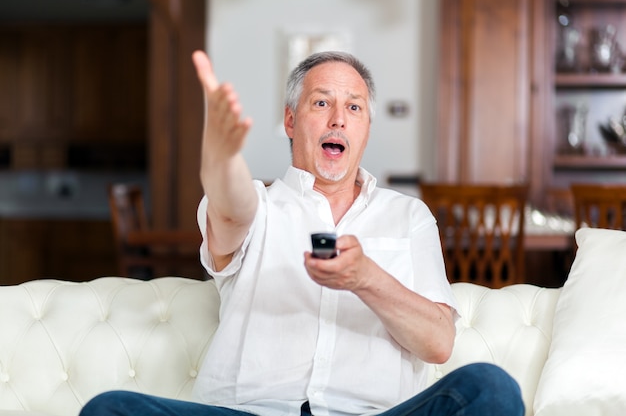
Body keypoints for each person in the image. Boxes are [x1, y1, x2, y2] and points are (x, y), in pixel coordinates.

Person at [80, 50, 524, 416]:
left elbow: (439, 342)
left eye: (354, 107)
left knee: (490, 388)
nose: (338, 119)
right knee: (109, 409)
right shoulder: (261, 205)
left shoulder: (409, 216)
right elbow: (231, 207)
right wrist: (220, 154)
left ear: (366, 127)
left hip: (370, 415)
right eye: (321, 103)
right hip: (253, 411)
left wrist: (366, 278)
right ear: (291, 122)